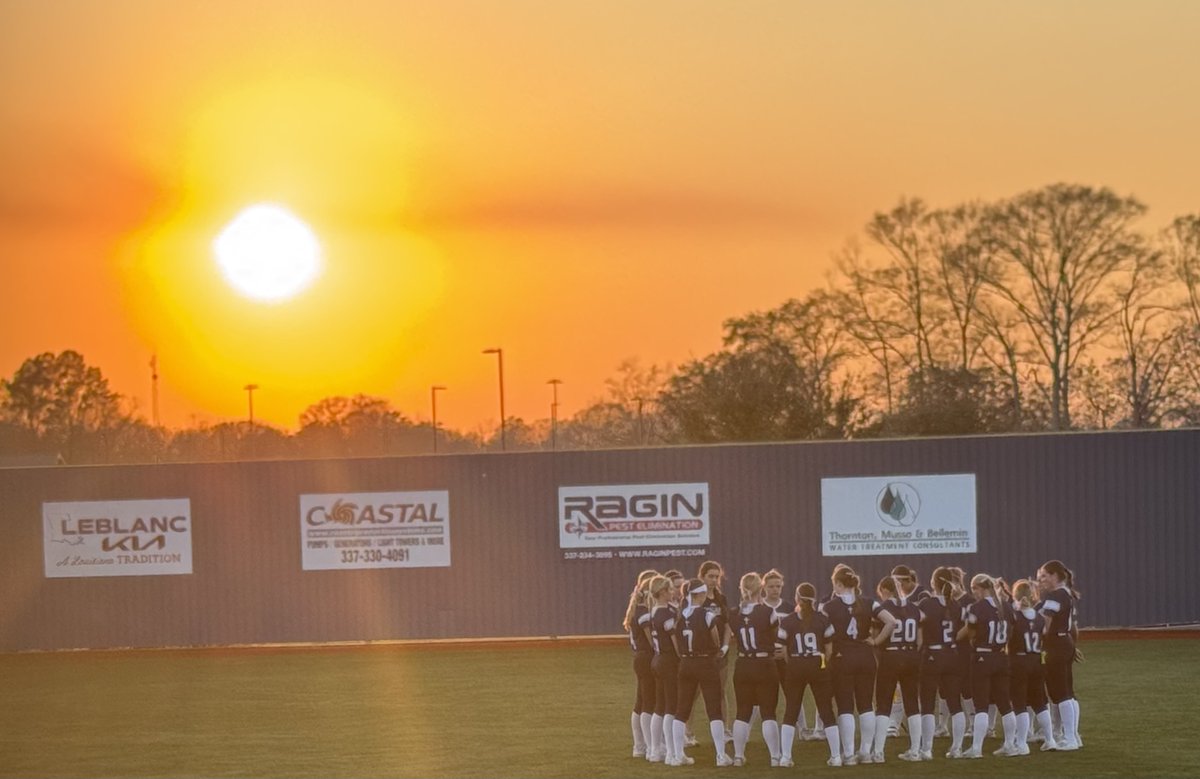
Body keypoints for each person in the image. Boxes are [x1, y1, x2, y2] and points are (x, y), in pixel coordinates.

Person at [778, 582, 842, 767]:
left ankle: (785, 757)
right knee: (826, 710)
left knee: (791, 710)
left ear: (797, 598)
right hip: (817, 664)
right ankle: (836, 756)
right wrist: (821, 663)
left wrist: (795, 663)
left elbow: (783, 651)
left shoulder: (787, 621)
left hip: (796, 665)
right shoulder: (823, 620)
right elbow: (829, 649)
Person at [671, 579, 734, 767]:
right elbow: (715, 640)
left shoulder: (679, 615)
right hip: (705, 662)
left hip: (686, 663)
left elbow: (676, 641)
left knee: (681, 709)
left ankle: (678, 755)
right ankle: (720, 755)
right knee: (714, 709)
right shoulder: (707, 615)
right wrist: (719, 650)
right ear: (701, 594)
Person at [820, 566, 877, 765]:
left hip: (842, 657)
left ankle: (849, 754)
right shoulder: (869, 602)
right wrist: (875, 640)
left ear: (838, 583)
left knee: (845, 706)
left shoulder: (828, 606)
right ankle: (866, 752)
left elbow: (820, 629)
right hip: (865, 656)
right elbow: (891, 621)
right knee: (866, 705)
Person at [957, 574, 1018, 758]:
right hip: (1001, 656)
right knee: (1005, 703)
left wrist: (956, 638)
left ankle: (976, 748)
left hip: (982, 657)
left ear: (980, 588)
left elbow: (969, 632)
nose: (973, 593)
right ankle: (1010, 745)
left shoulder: (977, 608)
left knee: (981, 705)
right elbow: (1012, 629)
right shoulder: (1006, 606)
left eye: (974, 589)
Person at [728, 572, 782, 766]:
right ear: (761, 588)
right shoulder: (768, 612)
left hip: (743, 664)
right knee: (768, 712)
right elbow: (776, 636)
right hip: (764, 664)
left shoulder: (733, 613)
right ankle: (775, 757)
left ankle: (738, 756)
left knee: (742, 711)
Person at [869, 572, 923, 763]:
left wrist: (876, 643)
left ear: (885, 590)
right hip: (911, 655)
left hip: (891, 655)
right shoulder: (914, 608)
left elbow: (877, 633)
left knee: (883, 705)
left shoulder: (883, 608)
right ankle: (915, 750)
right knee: (912, 704)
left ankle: (878, 752)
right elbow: (919, 640)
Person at [917, 566, 966, 759]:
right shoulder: (956, 605)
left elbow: (920, 630)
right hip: (952, 654)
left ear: (933, 582)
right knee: (955, 703)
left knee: (928, 704)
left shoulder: (926, 604)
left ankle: (926, 749)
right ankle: (957, 748)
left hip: (932, 655)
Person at [647, 574, 693, 766]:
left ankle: (655, 750)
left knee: (660, 706)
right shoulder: (666, 614)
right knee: (671, 708)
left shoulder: (653, 610)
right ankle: (672, 753)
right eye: (670, 589)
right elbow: (675, 640)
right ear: (663, 592)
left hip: (657, 660)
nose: (673, 592)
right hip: (668, 661)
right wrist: (683, 656)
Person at [1037, 559, 1083, 751]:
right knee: (1068, 693)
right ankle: (1073, 736)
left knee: (1060, 693)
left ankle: (1070, 738)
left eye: (1045, 576)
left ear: (1055, 575)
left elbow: (1045, 625)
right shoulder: (1066, 593)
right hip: (1065, 642)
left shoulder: (1056, 595)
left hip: (1055, 645)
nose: (1042, 580)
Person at [1008, 578, 1054, 754]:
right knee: (1039, 702)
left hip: (1019, 661)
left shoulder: (1015, 617)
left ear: (1015, 596)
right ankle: (1050, 739)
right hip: (1036, 661)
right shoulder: (1040, 617)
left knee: (1019, 703)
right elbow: (1044, 634)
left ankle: (1021, 743)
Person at [622, 569, 658, 759]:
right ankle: (649, 746)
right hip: (646, 658)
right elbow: (653, 642)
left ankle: (640, 745)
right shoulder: (644, 613)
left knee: (642, 701)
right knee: (648, 702)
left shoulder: (637, 609)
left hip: (640, 658)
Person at [698, 560, 735, 741]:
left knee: (720, 691)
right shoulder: (696, 599)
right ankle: (687, 733)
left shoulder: (721, 599)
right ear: (702, 577)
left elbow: (727, 625)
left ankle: (725, 729)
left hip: (719, 653)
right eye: (710, 576)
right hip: (700, 654)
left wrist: (725, 646)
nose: (713, 580)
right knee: (695, 693)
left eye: (716, 577)